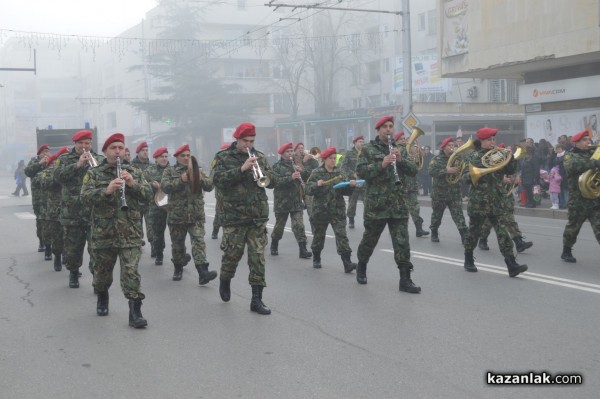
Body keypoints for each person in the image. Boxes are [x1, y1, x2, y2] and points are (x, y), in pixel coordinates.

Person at [81, 133, 152, 328]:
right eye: (113, 148)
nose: (118, 151)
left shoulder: (134, 170)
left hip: (130, 232)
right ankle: (102, 296)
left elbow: (148, 195)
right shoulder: (94, 173)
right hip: (104, 233)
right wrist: (107, 190)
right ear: (105, 152)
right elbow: (85, 197)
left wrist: (132, 184)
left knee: (131, 272)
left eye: (121, 147)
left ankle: (135, 311)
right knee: (102, 274)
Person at [212, 122, 276, 315]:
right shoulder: (223, 157)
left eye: (251, 141)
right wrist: (241, 169)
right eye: (245, 141)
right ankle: (225, 279)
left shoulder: (261, 157)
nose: (248, 145)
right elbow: (217, 180)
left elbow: (272, 182)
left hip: (257, 217)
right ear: (237, 139)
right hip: (234, 218)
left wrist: (265, 175)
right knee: (232, 256)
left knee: (257, 259)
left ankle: (256, 300)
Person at [355, 116, 421, 293]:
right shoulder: (368, 149)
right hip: (377, 206)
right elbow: (360, 171)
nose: (388, 129)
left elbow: (414, 170)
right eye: (385, 127)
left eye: (391, 126)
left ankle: (405, 279)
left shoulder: (400, 148)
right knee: (370, 240)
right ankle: (361, 265)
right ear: (378, 130)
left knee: (402, 243)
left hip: (398, 204)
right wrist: (381, 164)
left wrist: (400, 161)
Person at [461, 127, 528, 277]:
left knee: (502, 232)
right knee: (473, 232)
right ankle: (468, 258)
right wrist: (482, 168)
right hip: (479, 202)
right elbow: (465, 178)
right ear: (482, 141)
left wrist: (510, 158)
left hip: (498, 200)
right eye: (490, 140)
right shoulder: (473, 157)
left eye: (494, 140)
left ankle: (511, 264)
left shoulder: (499, 155)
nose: (493, 142)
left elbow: (510, 172)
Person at [53, 129, 104, 288]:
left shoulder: (100, 159)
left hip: (94, 212)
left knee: (96, 249)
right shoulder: (64, 159)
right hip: (72, 213)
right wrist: (77, 164)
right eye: (81, 143)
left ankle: (97, 279)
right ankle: (73, 273)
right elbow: (57, 177)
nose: (84, 146)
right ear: (75, 144)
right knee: (73, 248)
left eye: (87, 143)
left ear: (91, 144)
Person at [161, 144, 218, 284]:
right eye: (183, 156)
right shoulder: (170, 171)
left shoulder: (198, 170)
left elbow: (210, 186)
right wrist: (181, 180)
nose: (186, 158)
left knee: (198, 242)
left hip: (195, 215)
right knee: (178, 246)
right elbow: (165, 187)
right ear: (176, 157)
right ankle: (178, 268)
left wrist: (200, 178)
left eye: (188, 155)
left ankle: (203, 272)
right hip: (177, 216)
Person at [305, 147, 357, 272]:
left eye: (335, 158)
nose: (333, 161)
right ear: (324, 159)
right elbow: (308, 189)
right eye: (331, 159)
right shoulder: (317, 172)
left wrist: (350, 186)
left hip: (337, 210)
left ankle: (347, 263)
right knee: (319, 236)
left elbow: (345, 191)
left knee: (342, 236)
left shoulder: (339, 172)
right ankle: (316, 258)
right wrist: (316, 184)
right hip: (321, 211)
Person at [560, 130, 600, 263]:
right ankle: (566, 251)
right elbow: (574, 166)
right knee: (573, 227)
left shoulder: (592, 154)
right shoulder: (569, 156)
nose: (588, 142)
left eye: (589, 139)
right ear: (576, 142)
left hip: (594, 199)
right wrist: (595, 163)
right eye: (584, 140)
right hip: (578, 200)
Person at [270, 142, 312, 259]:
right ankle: (274, 245)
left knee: (299, 226)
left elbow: (308, 176)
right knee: (279, 227)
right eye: (288, 152)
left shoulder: (295, 165)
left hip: (296, 201)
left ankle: (303, 250)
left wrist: (302, 169)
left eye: (291, 151)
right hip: (282, 202)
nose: (290, 154)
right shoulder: (276, 167)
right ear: (282, 154)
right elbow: (275, 182)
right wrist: (290, 177)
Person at [428, 137, 468, 243]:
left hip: (454, 192)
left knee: (458, 215)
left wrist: (461, 174)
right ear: (443, 147)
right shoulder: (436, 159)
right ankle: (434, 232)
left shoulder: (458, 159)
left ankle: (464, 235)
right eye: (449, 146)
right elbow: (431, 172)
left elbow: (464, 171)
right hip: (439, 193)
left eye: (453, 145)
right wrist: (446, 170)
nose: (452, 147)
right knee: (437, 215)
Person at [38, 147, 70, 271]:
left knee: (70, 236)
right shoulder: (49, 171)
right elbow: (45, 182)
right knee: (57, 236)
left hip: (71, 210)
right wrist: (60, 174)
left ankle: (68, 259)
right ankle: (57, 255)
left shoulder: (73, 170)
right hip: (54, 210)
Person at [395, 131, 429, 237]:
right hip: (403, 183)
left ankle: (418, 229)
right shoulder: (399, 150)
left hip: (411, 183)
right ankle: (398, 229)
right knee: (403, 208)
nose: (404, 141)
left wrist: (418, 155)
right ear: (396, 141)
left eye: (404, 138)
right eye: (401, 139)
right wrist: (414, 154)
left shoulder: (407, 149)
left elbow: (416, 166)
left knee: (414, 207)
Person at [143, 147, 170, 265]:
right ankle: (159, 254)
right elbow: (142, 185)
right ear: (156, 159)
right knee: (158, 232)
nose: (164, 159)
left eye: (166, 156)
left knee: (177, 233)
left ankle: (180, 255)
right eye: (161, 157)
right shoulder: (149, 171)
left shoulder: (172, 170)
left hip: (173, 206)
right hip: (156, 206)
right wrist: (151, 185)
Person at [24, 144, 51, 252]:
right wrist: (40, 164)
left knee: (52, 221)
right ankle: (42, 242)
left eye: (47, 151)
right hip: (38, 197)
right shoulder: (34, 162)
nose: (46, 154)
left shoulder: (51, 161)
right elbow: (28, 172)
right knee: (40, 221)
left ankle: (52, 244)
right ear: (39, 153)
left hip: (51, 198)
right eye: (44, 152)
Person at [131, 141, 154, 254]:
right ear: (138, 152)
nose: (145, 152)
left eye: (146, 150)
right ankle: (138, 242)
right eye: (143, 151)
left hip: (150, 201)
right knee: (137, 226)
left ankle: (154, 246)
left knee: (151, 225)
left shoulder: (152, 165)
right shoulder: (132, 166)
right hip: (136, 201)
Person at [340, 135, 365, 228]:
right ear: (355, 143)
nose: (362, 143)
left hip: (364, 181)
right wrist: (351, 175)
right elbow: (343, 167)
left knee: (367, 202)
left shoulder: (365, 153)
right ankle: (351, 220)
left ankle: (368, 220)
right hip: (353, 181)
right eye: (360, 142)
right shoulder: (349, 153)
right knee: (352, 202)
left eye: (363, 142)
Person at [210, 142, 231, 240]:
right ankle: (215, 230)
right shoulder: (217, 159)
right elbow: (212, 173)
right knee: (219, 212)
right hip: (221, 191)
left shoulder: (234, 160)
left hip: (232, 191)